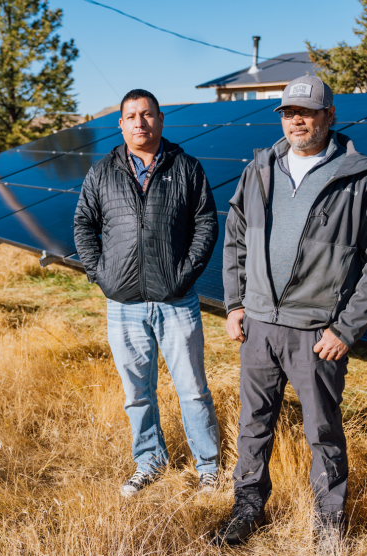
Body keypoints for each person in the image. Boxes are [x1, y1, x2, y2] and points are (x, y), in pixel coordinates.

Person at [217, 75, 367, 544]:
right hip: (257, 326)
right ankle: (247, 507)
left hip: (316, 334)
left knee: (323, 431)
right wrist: (235, 303)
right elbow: (235, 238)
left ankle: (329, 523)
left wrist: (346, 328)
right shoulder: (259, 170)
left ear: (329, 115)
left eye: (308, 111)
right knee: (254, 425)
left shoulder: (359, 179)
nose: (297, 120)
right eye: (288, 112)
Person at [73, 89, 221, 497]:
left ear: (160, 120)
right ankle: (149, 460)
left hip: (176, 301)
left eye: (148, 115)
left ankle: (208, 465)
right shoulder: (102, 172)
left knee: (192, 388)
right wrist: (103, 276)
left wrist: (184, 276)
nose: (140, 122)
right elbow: (83, 225)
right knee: (137, 393)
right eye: (131, 116)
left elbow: (206, 224)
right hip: (123, 303)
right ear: (119, 124)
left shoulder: (187, 168)